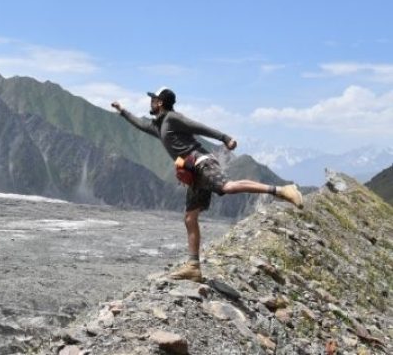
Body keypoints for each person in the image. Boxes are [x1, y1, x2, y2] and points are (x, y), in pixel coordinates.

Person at [111, 87, 302, 282]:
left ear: (160, 102)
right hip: (193, 173)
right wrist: (122, 111)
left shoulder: (172, 118)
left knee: (227, 187)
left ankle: (282, 190)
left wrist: (225, 138)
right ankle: (193, 267)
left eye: (153, 99)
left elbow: (198, 127)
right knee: (190, 218)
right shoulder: (158, 126)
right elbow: (140, 124)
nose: (150, 102)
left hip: (202, 162)